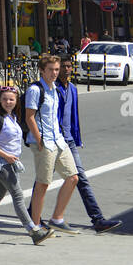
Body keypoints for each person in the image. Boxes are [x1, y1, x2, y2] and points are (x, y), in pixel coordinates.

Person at [55, 56, 123, 233]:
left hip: (68, 141)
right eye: (63, 67)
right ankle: (33, 217)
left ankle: (98, 219)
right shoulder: (51, 89)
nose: (67, 69)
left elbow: (73, 116)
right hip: (54, 141)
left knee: (80, 179)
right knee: (43, 181)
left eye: (70, 66)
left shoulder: (72, 89)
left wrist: (77, 137)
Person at [0, 86, 52, 244]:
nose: (8, 102)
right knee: (18, 196)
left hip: (11, 161)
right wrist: (6, 155)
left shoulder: (12, 116)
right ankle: (33, 231)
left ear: (16, 100)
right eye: (4, 99)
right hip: (1, 162)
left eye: (11, 99)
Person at [26, 54, 79, 232]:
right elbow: (29, 117)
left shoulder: (55, 88)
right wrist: (39, 140)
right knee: (43, 183)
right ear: (42, 70)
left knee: (73, 177)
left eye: (56, 69)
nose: (55, 73)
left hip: (58, 140)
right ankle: (35, 224)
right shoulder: (35, 89)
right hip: (43, 142)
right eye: (51, 70)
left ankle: (57, 218)